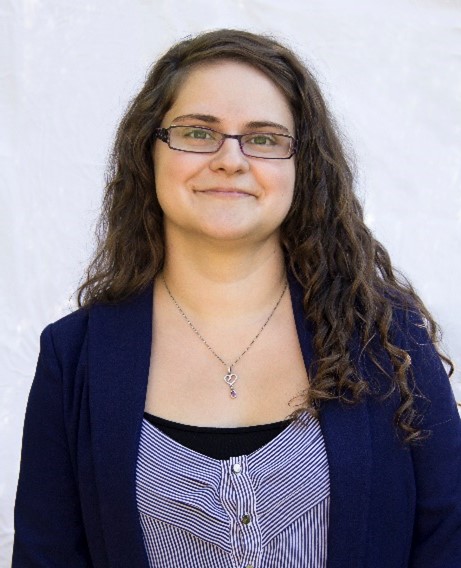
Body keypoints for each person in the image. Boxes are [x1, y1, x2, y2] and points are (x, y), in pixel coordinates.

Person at [12, 29, 461, 568]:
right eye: (198, 132)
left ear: (303, 167)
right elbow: (47, 556)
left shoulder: (386, 337)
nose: (230, 159)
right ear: (148, 153)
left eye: (265, 138)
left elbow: (449, 541)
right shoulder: (74, 356)